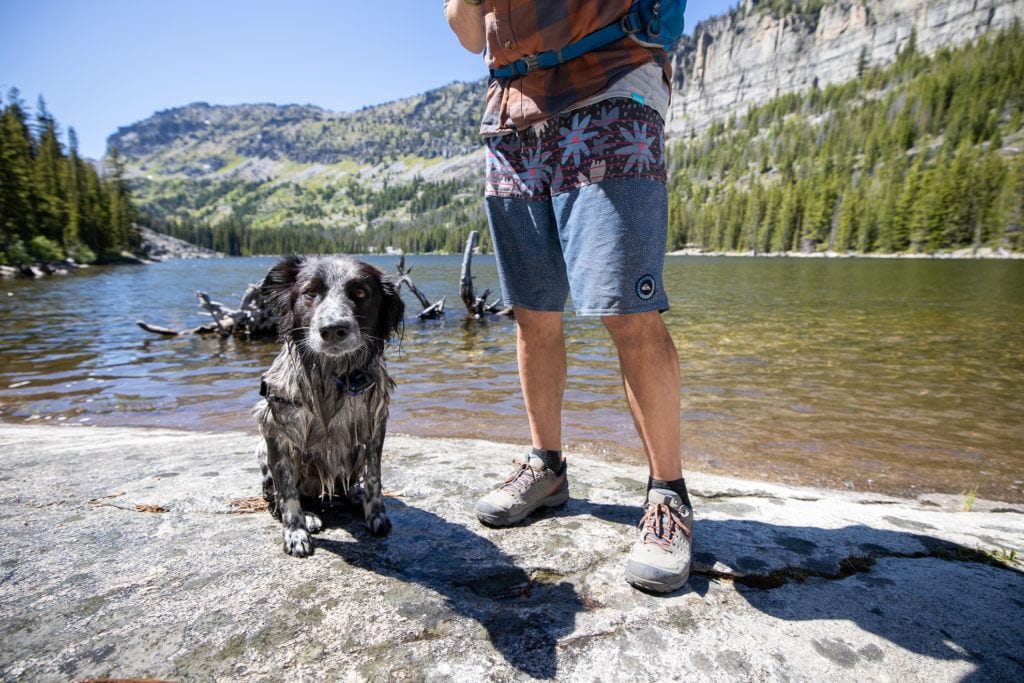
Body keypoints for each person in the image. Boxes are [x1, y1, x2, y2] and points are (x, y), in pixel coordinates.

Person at [445, 0, 692, 593]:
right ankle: (546, 466)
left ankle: (669, 495)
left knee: (626, 308)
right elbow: (467, 32)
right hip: (510, 109)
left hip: (609, 80)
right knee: (531, 309)